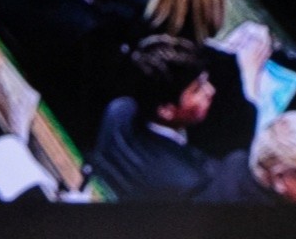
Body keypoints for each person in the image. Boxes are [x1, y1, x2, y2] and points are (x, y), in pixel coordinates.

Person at [91, 34, 246, 202]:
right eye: (197, 89)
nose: (210, 91)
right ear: (166, 110)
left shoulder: (119, 111)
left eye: (205, 81)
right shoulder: (190, 180)